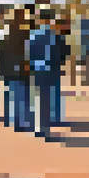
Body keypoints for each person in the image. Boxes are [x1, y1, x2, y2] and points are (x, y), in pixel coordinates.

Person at [28, 9, 66, 137]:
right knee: (48, 98)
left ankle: (38, 126)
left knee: (37, 98)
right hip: (50, 69)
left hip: (36, 69)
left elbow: (28, 53)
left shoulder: (33, 34)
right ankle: (46, 126)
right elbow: (58, 53)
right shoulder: (54, 35)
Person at [0, 10, 33, 132]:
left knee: (9, 93)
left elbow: (0, 52)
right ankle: (21, 121)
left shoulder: (4, 34)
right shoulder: (25, 34)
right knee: (22, 95)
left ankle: (9, 119)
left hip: (8, 67)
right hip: (21, 67)